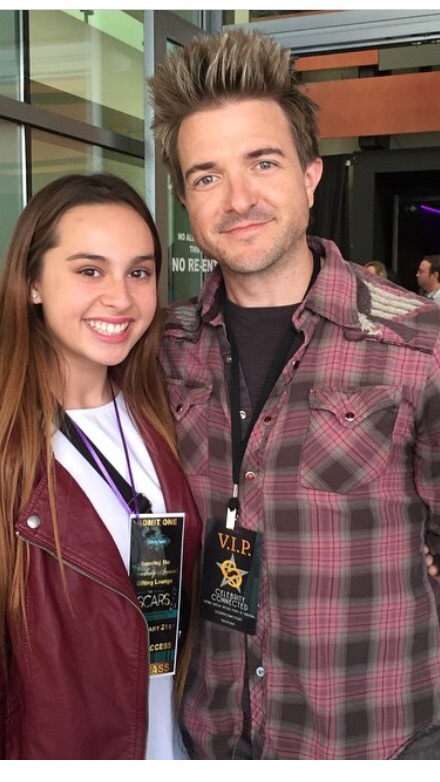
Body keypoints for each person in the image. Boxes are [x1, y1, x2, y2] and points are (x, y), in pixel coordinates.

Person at [148, 29, 440, 760]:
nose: (239, 198)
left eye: (263, 162)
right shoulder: (159, 349)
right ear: (185, 198)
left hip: (369, 743)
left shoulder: (418, 345)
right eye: (207, 175)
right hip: (206, 740)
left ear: (312, 174)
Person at [0, 173, 201, 759]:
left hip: (174, 749)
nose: (120, 297)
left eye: (138, 272)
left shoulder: (163, 412)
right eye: (90, 270)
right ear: (33, 281)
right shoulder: (11, 449)